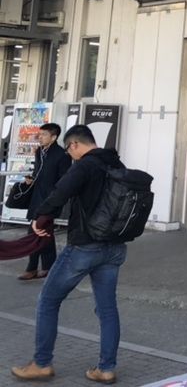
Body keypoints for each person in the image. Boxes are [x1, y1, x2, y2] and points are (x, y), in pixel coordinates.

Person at [11, 125, 127, 384]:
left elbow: (60, 193)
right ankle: (106, 368)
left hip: (85, 245)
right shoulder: (117, 164)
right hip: (114, 247)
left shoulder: (85, 166)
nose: (69, 155)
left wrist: (39, 220)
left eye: (69, 149)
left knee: (48, 301)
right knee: (107, 308)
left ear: (75, 144)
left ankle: (41, 363)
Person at [19, 123, 71, 281]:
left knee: (37, 232)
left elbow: (64, 180)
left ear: (54, 137)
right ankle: (47, 267)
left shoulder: (62, 155)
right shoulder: (39, 151)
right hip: (37, 197)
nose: (39, 137)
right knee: (44, 233)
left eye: (43, 135)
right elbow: (37, 172)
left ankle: (34, 268)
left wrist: (55, 198)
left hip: (50, 199)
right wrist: (30, 180)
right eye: (39, 134)